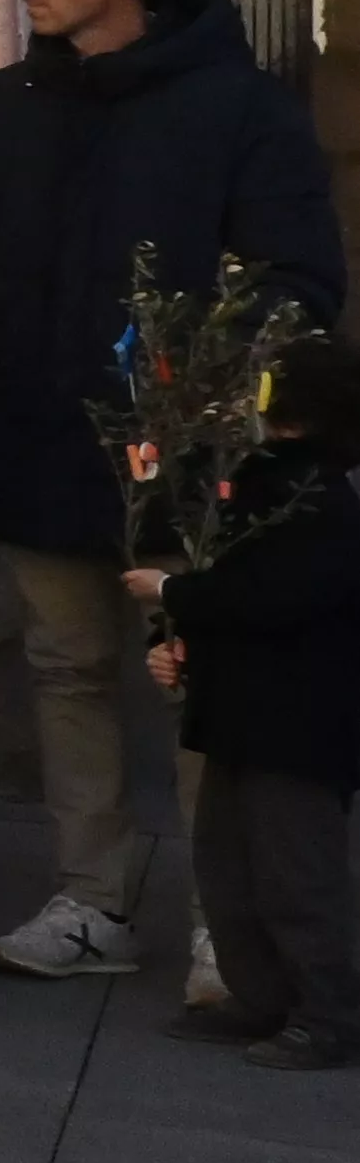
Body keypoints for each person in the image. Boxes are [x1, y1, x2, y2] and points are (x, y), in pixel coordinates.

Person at [0, 0, 345, 984]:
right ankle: (91, 901)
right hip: (32, 441)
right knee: (65, 668)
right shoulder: (6, 104)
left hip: (191, 467)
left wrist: (204, 404)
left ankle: (226, 920)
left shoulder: (242, 109)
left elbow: (299, 282)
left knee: (197, 677)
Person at [134, 334, 360, 1070]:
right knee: (226, 866)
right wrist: (182, 639)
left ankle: (327, 1012)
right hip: (240, 714)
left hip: (297, 729)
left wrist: (174, 593)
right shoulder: (257, 480)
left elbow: (268, 598)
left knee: (297, 872)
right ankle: (258, 995)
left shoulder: (319, 499)